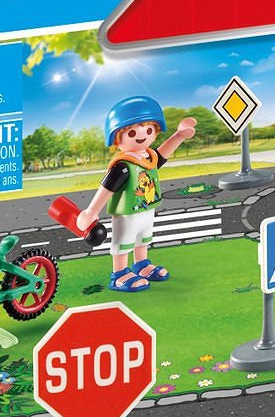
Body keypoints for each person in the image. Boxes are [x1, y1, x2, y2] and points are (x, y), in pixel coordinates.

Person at [75, 97, 197, 292]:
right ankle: (119, 274)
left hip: (147, 208)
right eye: (132, 132)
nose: (142, 136)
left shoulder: (149, 158)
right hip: (128, 213)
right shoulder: (123, 166)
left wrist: (179, 136)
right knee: (124, 241)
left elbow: (163, 154)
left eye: (149, 130)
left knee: (143, 238)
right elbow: (107, 188)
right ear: (116, 138)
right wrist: (91, 211)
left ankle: (141, 265)